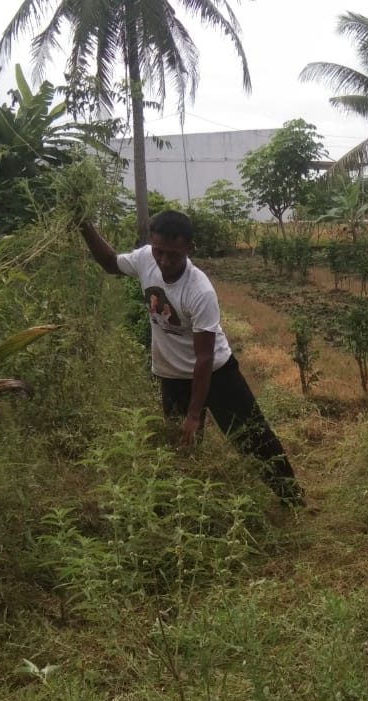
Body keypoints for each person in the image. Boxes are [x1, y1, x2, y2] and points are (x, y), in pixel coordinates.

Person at [79, 210, 304, 506]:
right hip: (173, 376)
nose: (164, 261)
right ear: (152, 244)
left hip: (217, 374)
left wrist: (194, 414)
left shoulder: (200, 291)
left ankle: (292, 499)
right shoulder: (146, 258)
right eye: (159, 251)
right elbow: (110, 263)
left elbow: (204, 359)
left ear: (190, 250)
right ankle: (193, 505)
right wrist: (83, 223)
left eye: (173, 254)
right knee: (181, 445)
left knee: (253, 438)